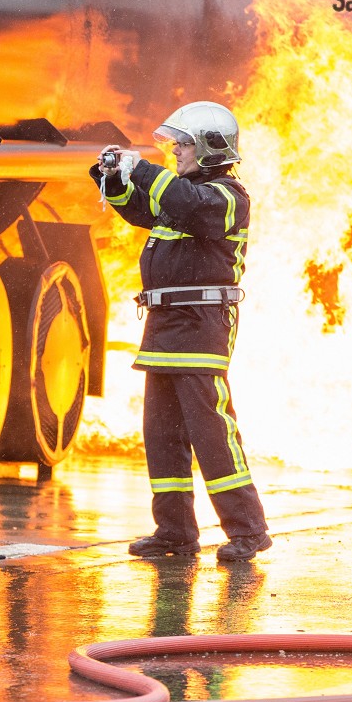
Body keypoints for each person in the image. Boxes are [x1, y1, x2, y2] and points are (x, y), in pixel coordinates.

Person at [90, 100, 272, 562]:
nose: (175, 152)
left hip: (200, 328)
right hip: (164, 327)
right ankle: (174, 531)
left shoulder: (227, 197)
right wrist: (113, 179)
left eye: (183, 145)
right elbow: (139, 210)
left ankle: (249, 531)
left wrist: (143, 169)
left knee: (211, 432)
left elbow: (183, 201)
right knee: (162, 434)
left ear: (210, 148)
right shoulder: (181, 199)